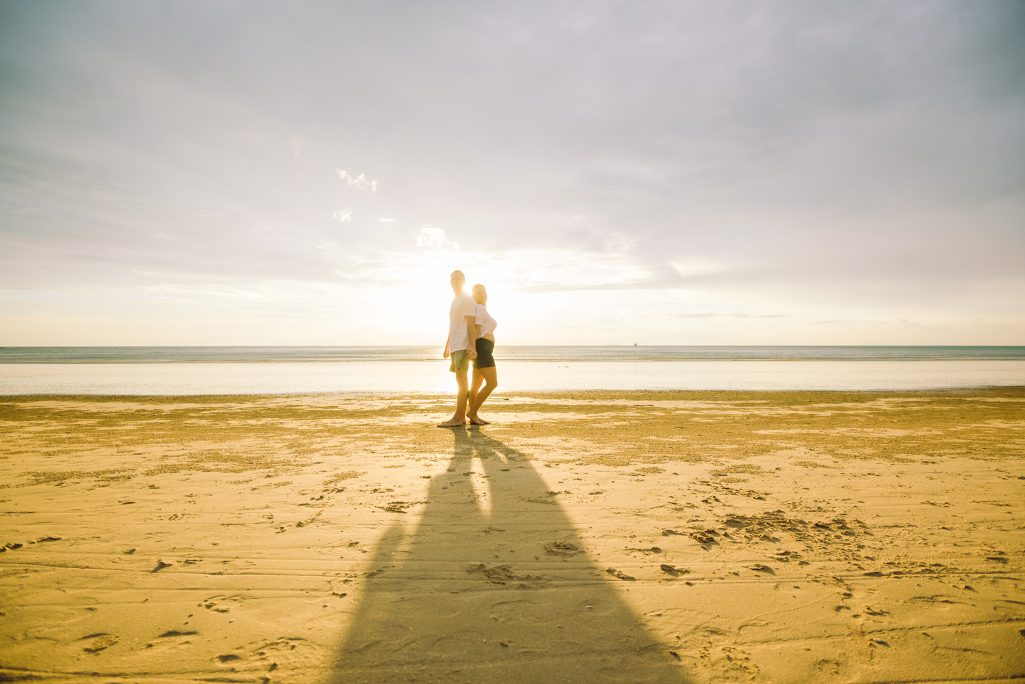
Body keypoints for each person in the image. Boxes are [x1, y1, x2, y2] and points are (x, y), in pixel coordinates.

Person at [437, 270, 477, 427]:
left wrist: (472, 344)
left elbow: (471, 322)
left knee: (462, 381)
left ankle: (459, 418)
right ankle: (460, 417)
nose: (455, 281)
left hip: (462, 344)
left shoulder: (466, 299)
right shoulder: (455, 301)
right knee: (459, 380)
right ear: (450, 281)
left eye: (458, 278)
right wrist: (447, 346)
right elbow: (452, 326)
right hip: (455, 346)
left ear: (464, 280)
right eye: (453, 279)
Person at [467, 284, 498, 425]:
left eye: (483, 292)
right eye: (478, 293)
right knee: (492, 383)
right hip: (482, 348)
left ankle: (474, 417)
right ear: (474, 296)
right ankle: (472, 412)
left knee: (476, 384)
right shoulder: (479, 308)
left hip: (483, 347)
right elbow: (476, 328)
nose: (482, 294)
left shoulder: (482, 309)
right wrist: (472, 346)